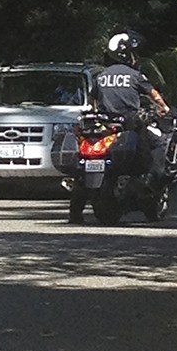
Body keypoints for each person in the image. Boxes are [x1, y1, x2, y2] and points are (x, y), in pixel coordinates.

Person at [67, 30, 170, 225]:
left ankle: (75, 212)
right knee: (159, 143)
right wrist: (164, 108)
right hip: (130, 123)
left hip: (104, 125)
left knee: (83, 166)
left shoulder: (101, 76)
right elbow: (154, 94)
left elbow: (92, 100)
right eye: (133, 54)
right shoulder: (135, 75)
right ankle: (152, 187)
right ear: (127, 55)